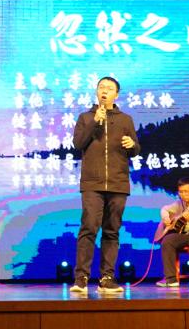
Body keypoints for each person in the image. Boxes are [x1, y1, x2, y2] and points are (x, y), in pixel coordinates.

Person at [70, 76, 141, 294]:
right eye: (101, 87)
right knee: (89, 228)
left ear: (116, 95)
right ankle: (81, 278)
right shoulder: (85, 117)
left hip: (118, 183)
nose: (104, 90)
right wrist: (95, 121)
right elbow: (78, 143)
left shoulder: (126, 119)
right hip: (92, 183)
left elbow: (135, 149)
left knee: (112, 231)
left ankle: (107, 278)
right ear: (96, 92)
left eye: (109, 88)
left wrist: (132, 145)